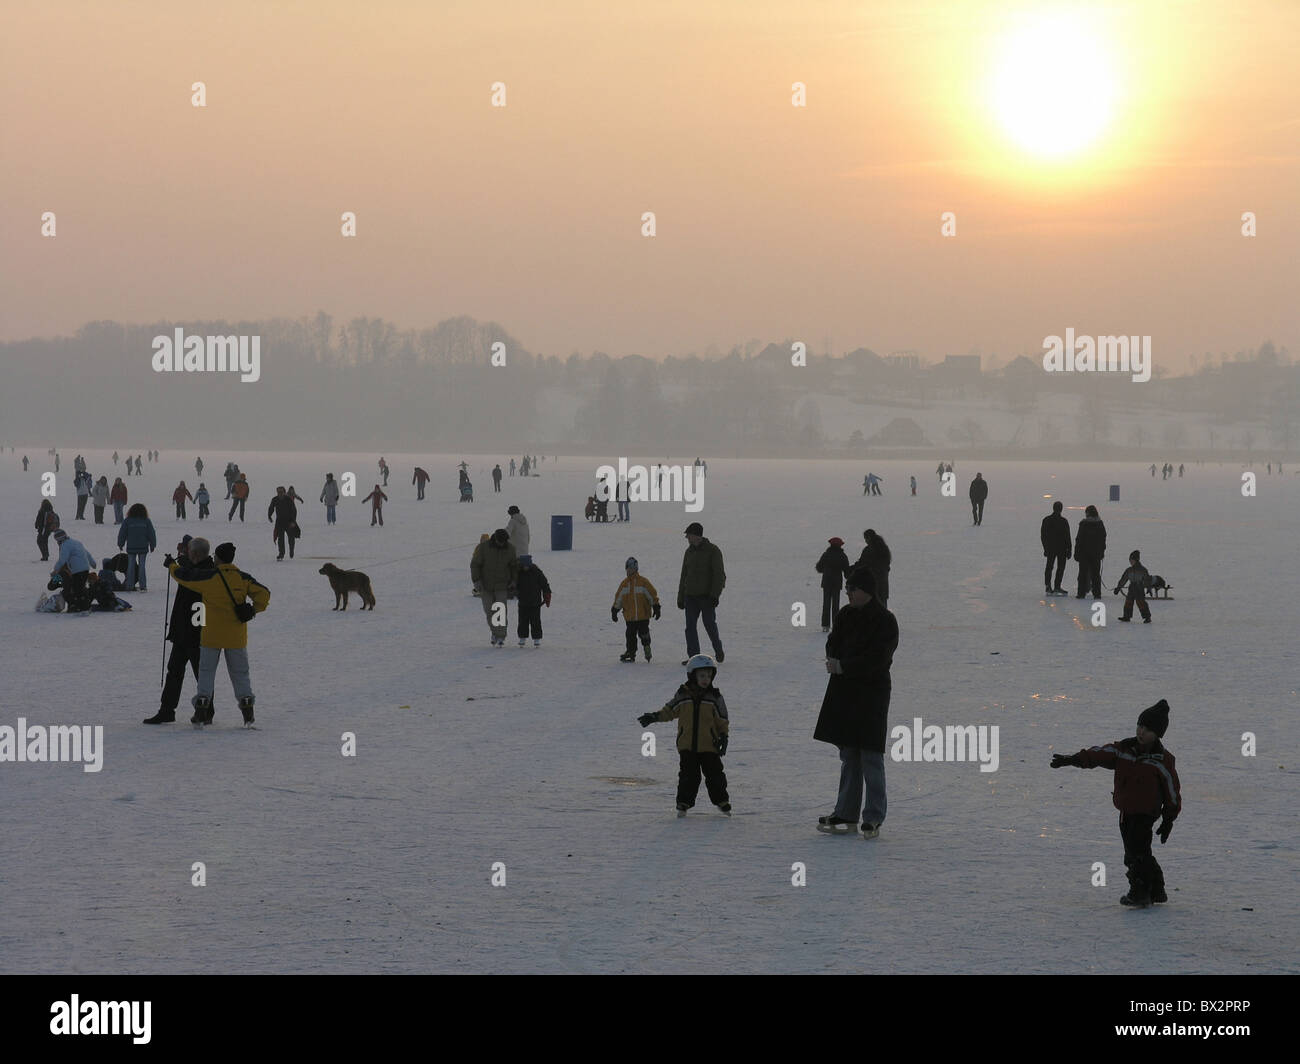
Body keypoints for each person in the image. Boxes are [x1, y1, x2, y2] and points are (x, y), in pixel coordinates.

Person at [1050, 699, 1180, 907]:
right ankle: (1156, 888)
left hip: (1146, 813)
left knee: (1134, 853)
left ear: (1158, 734)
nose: (1141, 732)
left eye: (1148, 729)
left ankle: (1140, 892)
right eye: (1140, 726)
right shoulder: (1123, 750)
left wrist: (1169, 818)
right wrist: (1072, 759)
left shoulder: (1162, 761)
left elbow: (1172, 792)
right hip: (1125, 811)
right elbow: (1098, 755)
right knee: (1141, 851)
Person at [814, 567, 898, 839]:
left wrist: (844, 666)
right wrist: (835, 660)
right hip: (845, 693)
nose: (848, 593)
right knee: (849, 754)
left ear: (867, 591)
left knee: (871, 756)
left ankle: (873, 816)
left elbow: (879, 659)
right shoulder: (845, 615)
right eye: (848, 589)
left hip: (871, 695)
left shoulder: (885, 620)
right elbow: (833, 642)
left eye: (853, 589)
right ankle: (846, 812)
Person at [166, 541, 270, 727]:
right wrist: (253, 609)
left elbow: (184, 577)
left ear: (218, 558)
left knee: (206, 674)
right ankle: (247, 711)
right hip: (236, 637)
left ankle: (200, 712)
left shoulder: (210, 577)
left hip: (211, 636)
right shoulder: (243, 578)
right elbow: (264, 593)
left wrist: (171, 565)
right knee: (240, 674)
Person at [638, 655, 730, 816]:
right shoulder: (683, 695)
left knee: (715, 775)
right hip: (687, 746)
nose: (705, 679)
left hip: (710, 745)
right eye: (702, 675)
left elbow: (722, 720)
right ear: (692, 675)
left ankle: (722, 801)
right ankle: (683, 803)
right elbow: (669, 711)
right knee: (689, 777)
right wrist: (653, 717)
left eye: (709, 676)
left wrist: (724, 737)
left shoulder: (715, 697)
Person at [144, 535, 212, 724]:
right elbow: (186, 572)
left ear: (196, 554)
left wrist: (177, 564)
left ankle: (207, 711)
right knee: (174, 671)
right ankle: (167, 710)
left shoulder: (206, 572)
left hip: (196, 632)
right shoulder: (197, 568)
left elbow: (187, 576)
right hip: (183, 631)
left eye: (190, 552)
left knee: (201, 674)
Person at [678, 521, 725, 664]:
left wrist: (714, 595)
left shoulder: (713, 551)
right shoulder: (689, 552)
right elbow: (684, 575)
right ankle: (694, 657)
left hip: (707, 597)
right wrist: (681, 597)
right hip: (690, 597)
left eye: (689, 535)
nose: (687, 538)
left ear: (697, 536)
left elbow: (719, 575)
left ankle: (718, 649)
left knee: (709, 624)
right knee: (690, 627)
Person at [471, 528, 518, 646]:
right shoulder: (483, 548)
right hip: (485, 585)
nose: (502, 544)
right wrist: (476, 580)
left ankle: (501, 635)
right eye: (500, 541)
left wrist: (514, 580)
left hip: (502, 585)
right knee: (489, 611)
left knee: (500, 610)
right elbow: (475, 564)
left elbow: (514, 566)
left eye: (504, 542)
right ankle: (494, 632)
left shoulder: (510, 549)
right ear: (495, 539)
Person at [613, 556, 660, 661]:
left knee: (644, 634)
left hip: (643, 615)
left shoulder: (643, 582)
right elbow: (619, 598)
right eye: (628, 568)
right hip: (630, 617)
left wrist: (656, 606)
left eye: (632, 568)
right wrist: (615, 610)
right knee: (630, 636)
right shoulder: (624, 584)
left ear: (636, 569)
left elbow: (652, 595)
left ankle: (647, 648)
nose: (629, 570)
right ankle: (631, 652)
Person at [49, 529, 97, 612]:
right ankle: (83, 606)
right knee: (80, 588)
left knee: (78, 590)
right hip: (85, 569)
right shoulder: (76, 542)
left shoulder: (65, 545)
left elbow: (62, 559)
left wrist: (55, 570)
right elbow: (87, 554)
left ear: (59, 540)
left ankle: (83, 607)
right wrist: (93, 563)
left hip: (77, 570)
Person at [117, 502, 157, 591]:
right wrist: (152, 545)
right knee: (142, 566)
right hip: (143, 547)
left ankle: (129, 585)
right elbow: (151, 533)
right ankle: (143, 586)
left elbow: (122, 533)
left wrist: (120, 544)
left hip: (131, 547)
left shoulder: (127, 520)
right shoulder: (146, 520)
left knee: (130, 566)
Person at [815, 537, 851, 632]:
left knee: (826, 604)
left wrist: (826, 570)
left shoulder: (826, 555)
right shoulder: (842, 556)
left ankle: (825, 625)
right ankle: (836, 625)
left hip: (826, 582)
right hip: (836, 583)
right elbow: (847, 571)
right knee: (836, 605)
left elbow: (819, 567)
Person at [514, 555, 552, 646]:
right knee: (522, 621)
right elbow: (515, 585)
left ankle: (537, 638)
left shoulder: (537, 572)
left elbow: (545, 585)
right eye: (524, 566)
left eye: (527, 566)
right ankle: (522, 637)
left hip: (535, 603)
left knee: (536, 621)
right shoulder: (518, 573)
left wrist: (547, 596)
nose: (525, 568)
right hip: (523, 602)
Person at [1074, 504, 1106, 599]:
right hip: (1096, 554)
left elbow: (1079, 539)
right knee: (1096, 574)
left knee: (1083, 574)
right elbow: (1103, 539)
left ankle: (1081, 593)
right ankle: (1097, 593)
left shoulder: (1084, 524)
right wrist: (1102, 551)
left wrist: (1076, 552)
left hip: (1084, 554)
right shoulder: (1100, 524)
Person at [853, 529, 891, 608]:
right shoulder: (884, 548)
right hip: (883, 582)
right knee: (883, 605)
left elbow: (862, 564)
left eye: (865, 539)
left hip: (872, 583)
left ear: (868, 538)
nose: (865, 541)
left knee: (872, 606)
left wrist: (850, 570)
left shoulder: (869, 550)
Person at [1040, 501, 1072, 594]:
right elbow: (1067, 537)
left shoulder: (1048, 520)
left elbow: (1043, 536)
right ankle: (1053, 586)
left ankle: (1051, 586)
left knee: (1052, 567)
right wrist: (1069, 549)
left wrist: (1045, 548)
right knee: (1056, 567)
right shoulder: (1062, 521)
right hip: (1058, 548)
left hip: (1054, 548)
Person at [1114, 549, 1153, 623]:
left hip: (1139, 588)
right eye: (1130, 560)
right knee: (1128, 602)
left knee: (1141, 602)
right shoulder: (1129, 570)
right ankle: (1126, 616)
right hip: (1131, 588)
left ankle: (1147, 617)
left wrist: (1149, 588)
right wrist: (1118, 588)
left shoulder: (1143, 570)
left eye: (1131, 560)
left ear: (1136, 560)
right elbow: (1124, 579)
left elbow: (1147, 579)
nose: (1130, 562)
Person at [267, 486, 299, 560]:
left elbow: (294, 511)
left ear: (284, 492)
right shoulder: (275, 499)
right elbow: (271, 507)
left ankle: (291, 550)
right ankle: (281, 554)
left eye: (281, 492)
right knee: (280, 539)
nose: (280, 494)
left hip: (289, 521)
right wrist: (269, 516)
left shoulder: (289, 499)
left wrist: (293, 521)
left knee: (291, 538)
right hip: (279, 522)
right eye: (278, 492)